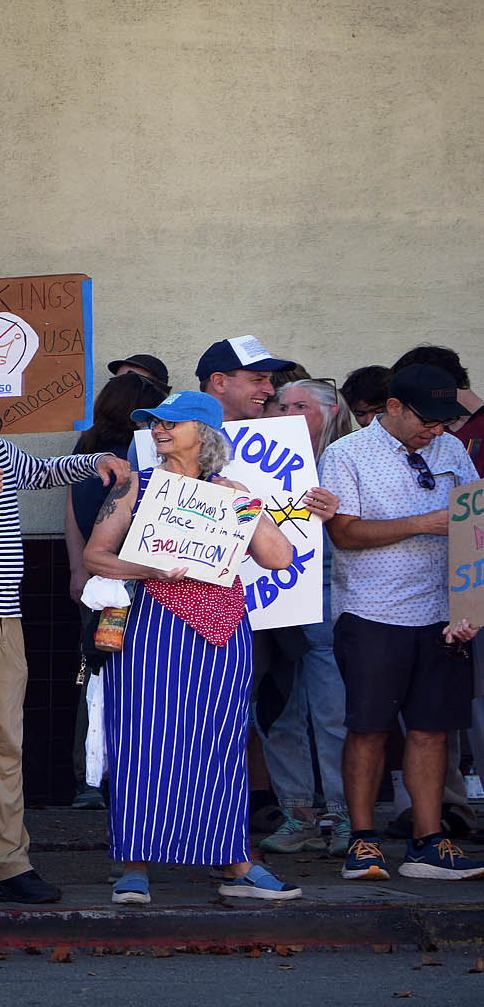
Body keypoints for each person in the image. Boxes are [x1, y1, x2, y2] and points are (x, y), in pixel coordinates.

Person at [86, 393, 317, 904]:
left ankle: (237, 865)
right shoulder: (134, 487)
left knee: (220, 747)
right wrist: (148, 569)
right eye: (154, 423)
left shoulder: (229, 492)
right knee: (139, 744)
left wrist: (247, 505)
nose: (159, 429)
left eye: (173, 422)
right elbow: (96, 556)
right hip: (150, 625)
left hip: (223, 630)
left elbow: (278, 558)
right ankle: (133, 867)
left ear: (205, 432)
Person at [316, 365, 474, 880]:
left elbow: (473, 524)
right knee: (369, 728)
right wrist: (426, 524)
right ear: (394, 408)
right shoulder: (347, 454)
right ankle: (362, 842)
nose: (437, 430)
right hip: (372, 611)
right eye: (427, 420)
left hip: (443, 612)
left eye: (446, 421)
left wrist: (470, 607)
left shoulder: (451, 451)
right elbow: (345, 534)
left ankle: (429, 842)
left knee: (433, 730)